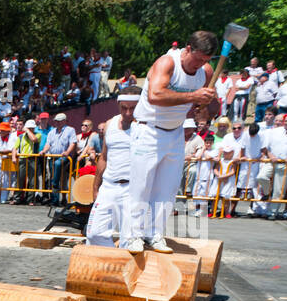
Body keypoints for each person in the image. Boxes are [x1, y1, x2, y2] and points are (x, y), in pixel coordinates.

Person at [124, 31, 218, 251]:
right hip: (148, 130)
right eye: (198, 58)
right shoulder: (167, 63)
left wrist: (209, 100)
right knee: (141, 186)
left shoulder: (205, 72)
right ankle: (133, 235)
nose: (200, 64)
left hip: (174, 133)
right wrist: (194, 96)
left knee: (167, 188)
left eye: (205, 61)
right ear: (187, 48)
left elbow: (212, 109)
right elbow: (155, 95)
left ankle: (154, 234)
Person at [84, 88, 140, 246]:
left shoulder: (145, 127)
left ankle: (122, 265)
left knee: (129, 241)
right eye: (124, 108)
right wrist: (96, 187)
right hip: (109, 186)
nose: (128, 112)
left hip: (133, 189)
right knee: (94, 234)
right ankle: (111, 261)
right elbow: (104, 157)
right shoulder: (110, 124)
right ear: (118, 105)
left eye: (133, 108)